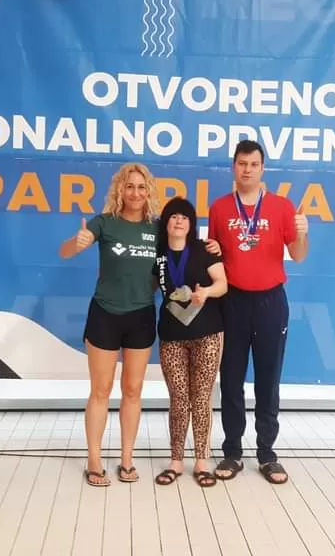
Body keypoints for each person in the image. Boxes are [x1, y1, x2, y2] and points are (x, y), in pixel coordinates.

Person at [59, 162, 221, 487]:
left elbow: (183, 244)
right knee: (101, 390)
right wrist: (76, 242)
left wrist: (211, 245)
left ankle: (127, 459)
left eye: (141, 187)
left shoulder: (157, 229)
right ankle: (94, 460)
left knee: (133, 391)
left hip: (141, 317)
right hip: (105, 314)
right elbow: (65, 252)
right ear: (120, 189)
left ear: (149, 192)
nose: (135, 193)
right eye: (129, 186)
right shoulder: (104, 222)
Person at [207, 140, 309, 485]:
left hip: (270, 303)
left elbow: (298, 255)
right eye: (242, 163)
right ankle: (232, 451)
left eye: (253, 164)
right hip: (232, 301)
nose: (247, 169)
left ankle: (267, 453)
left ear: (262, 168)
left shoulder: (282, 207)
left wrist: (302, 234)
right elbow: (213, 256)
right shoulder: (220, 208)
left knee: (268, 378)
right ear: (233, 167)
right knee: (231, 378)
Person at [151, 196, 228, 488]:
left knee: (201, 398)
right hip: (172, 336)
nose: (179, 221)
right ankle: (175, 460)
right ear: (166, 223)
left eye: (185, 217)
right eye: (174, 216)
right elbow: (146, 285)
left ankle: (201, 461)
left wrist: (205, 293)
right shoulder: (157, 254)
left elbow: (223, 284)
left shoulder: (204, 249)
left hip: (207, 335)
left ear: (191, 224)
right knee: (179, 398)